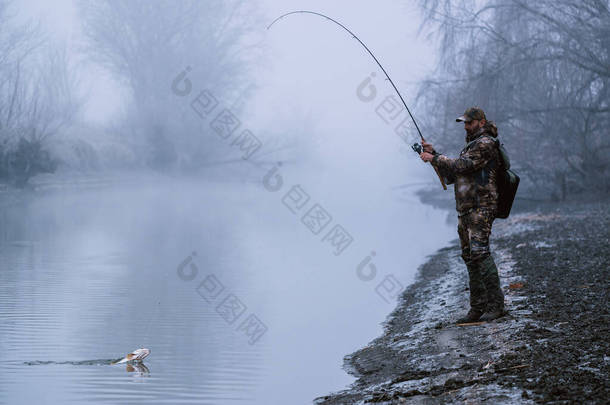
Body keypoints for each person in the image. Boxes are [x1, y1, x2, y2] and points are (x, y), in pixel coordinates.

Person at [419, 107, 505, 323]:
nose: (466, 126)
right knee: (469, 257)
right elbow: (455, 173)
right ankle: (477, 308)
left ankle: (496, 306)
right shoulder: (471, 145)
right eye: (465, 123)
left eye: (469, 122)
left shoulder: (485, 143)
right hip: (466, 208)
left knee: (480, 253)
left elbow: (463, 165)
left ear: (481, 122)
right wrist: (435, 155)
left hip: (481, 207)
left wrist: (434, 158)